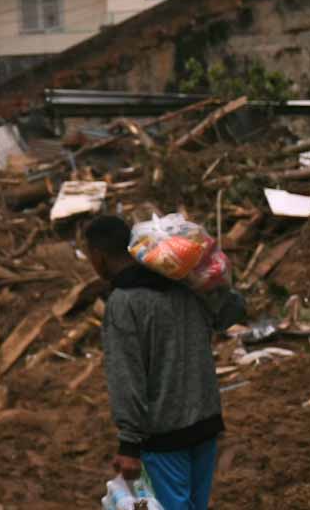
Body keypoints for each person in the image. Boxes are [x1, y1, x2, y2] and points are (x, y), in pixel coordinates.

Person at [84, 214, 247, 510]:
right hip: (206, 425)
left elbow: (127, 377)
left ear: (98, 255)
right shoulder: (184, 284)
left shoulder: (124, 302)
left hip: (165, 436)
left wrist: (129, 445)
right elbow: (229, 313)